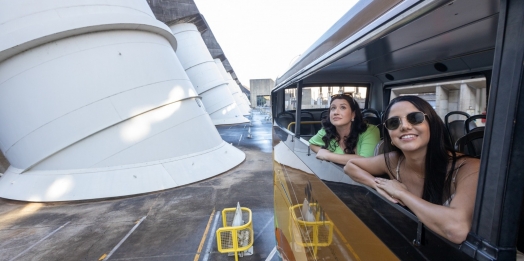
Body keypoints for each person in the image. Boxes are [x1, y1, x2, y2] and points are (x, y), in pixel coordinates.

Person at [344, 96, 480, 244]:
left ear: (432, 125)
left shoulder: (468, 168)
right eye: (394, 123)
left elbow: (456, 230)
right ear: (389, 136)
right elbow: (351, 165)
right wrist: (377, 184)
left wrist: (401, 193)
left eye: (415, 118)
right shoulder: (393, 160)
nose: (404, 126)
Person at [309, 93, 380, 165]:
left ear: (353, 114)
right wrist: (322, 151)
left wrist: (328, 155)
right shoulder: (327, 130)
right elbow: (312, 144)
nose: (336, 112)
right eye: (333, 108)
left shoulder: (370, 130)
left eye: (343, 107)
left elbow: (367, 161)